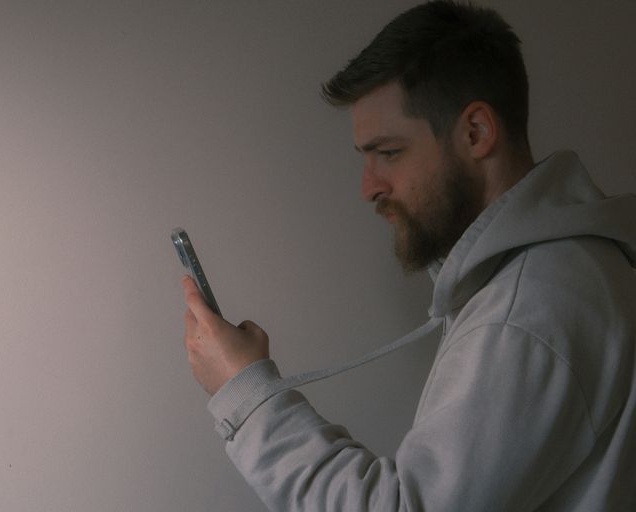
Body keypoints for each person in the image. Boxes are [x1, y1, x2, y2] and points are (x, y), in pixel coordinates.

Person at [180, 1, 636, 510]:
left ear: (475, 133)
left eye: (389, 153)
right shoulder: (565, 270)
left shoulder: (527, 311)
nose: (368, 186)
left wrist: (245, 395)